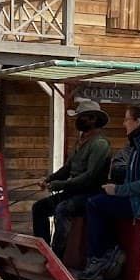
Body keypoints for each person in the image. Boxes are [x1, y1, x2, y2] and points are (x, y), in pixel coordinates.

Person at [82, 105, 140, 280]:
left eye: (127, 119)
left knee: (95, 204)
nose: (124, 124)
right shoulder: (138, 144)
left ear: (138, 122)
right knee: (99, 200)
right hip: (137, 200)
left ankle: (100, 257)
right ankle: (109, 252)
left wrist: (117, 190)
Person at [31, 98, 111, 257]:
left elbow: (89, 177)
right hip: (73, 192)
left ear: (93, 119)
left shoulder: (100, 144)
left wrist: (59, 185)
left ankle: (58, 257)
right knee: (39, 208)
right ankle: (43, 252)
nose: (77, 120)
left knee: (62, 210)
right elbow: (67, 169)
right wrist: (48, 179)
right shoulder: (80, 141)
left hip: (90, 194)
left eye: (81, 117)